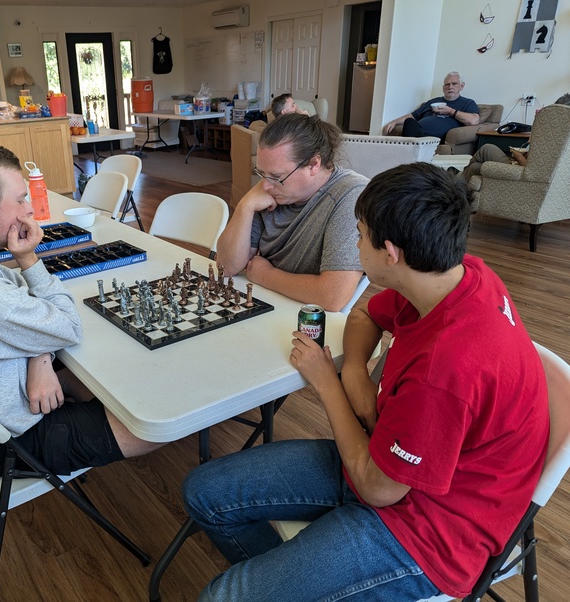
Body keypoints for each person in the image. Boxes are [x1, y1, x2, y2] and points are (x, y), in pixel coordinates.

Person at [182, 161, 550, 602]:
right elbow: (363, 313)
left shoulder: (445, 369)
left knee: (219, 597)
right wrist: (354, 371)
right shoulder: (458, 275)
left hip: (427, 532)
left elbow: (379, 490)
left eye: (359, 236)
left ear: (390, 252)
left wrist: (328, 382)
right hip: (384, 461)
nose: (355, 245)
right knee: (203, 492)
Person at [0, 140, 160, 478]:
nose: (29, 210)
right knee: (156, 418)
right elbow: (66, 325)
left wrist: (39, 355)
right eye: (20, 199)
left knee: (117, 367)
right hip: (10, 440)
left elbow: (18, 295)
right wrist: (29, 259)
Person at [217, 113, 366, 311]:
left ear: (314, 164)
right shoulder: (271, 190)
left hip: (306, 320)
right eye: (261, 173)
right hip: (264, 304)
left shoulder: (351, 195)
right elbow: (226, 266)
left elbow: (332, 296)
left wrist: (265, 275)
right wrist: (246, 206)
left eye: (276, 176)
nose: (266, 185)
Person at [459, 93, 570, 181]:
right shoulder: (561, 137)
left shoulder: (552, 139)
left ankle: (457, 182)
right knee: (478, 162)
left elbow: (532, 169)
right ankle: (459, 178)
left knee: (485, 150)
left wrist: (517, 154)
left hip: (520, 171)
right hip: (523, 168)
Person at [383, 72, 480, 140]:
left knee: (409, 128)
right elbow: (412, 116)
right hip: (417, 131)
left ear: (462, 86)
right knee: (409, 122)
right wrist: (394, 122)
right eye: (447, 84)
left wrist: (450, 111)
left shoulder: (467, 103)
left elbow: (474, 120)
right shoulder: (433, 102)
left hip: (435, 136)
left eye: (454, 84)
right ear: (443, 88)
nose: (450, 87)